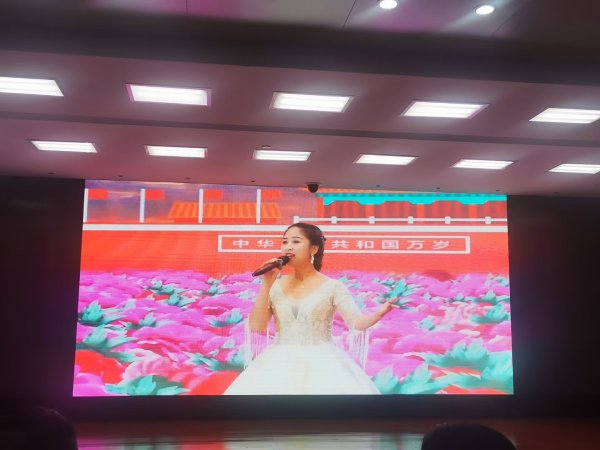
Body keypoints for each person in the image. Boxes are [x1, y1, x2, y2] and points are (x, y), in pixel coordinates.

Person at [224, 222, 394, 395]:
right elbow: (257, 326)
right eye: (285, 242)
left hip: (323, 362)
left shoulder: (332, 286)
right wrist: (266, 283)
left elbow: (357, 322)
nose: (288, 247)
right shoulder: (273, 285)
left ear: (313, 249)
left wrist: (379, 313)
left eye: (296, 241)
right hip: (279, 362)